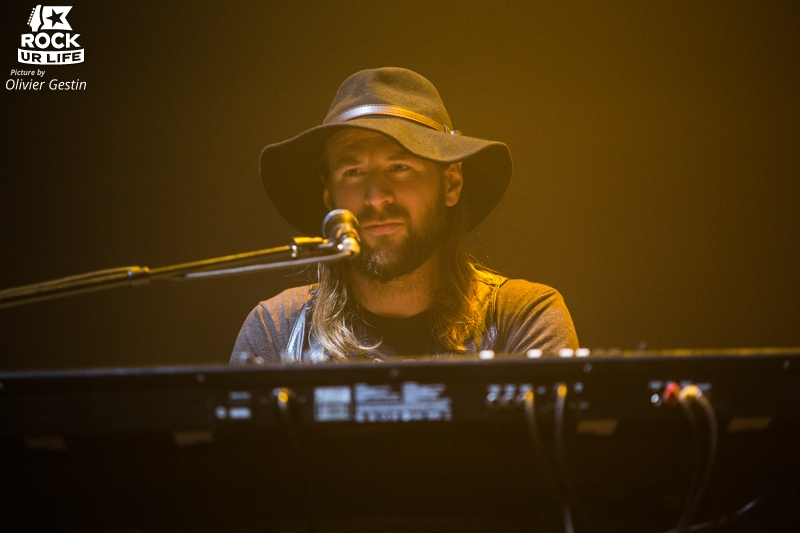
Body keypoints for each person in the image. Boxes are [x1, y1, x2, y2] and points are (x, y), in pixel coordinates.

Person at [231, 67, 578, 364]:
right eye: (353, 172)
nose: (376, 197)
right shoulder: (276, 330)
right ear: (329, 194)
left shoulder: (523, 319)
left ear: (451, 184)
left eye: (399, 167)